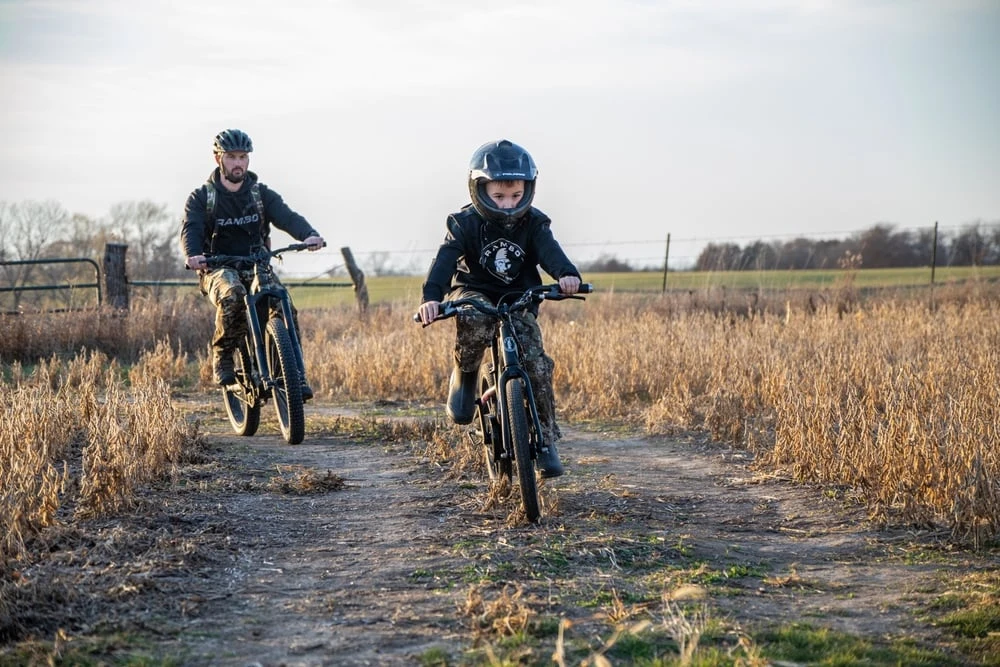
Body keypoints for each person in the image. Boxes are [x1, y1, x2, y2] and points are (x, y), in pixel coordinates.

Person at [417, 139, 582, 478]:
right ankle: (464, 378)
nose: (508, 204)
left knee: (536, 364)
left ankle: (546, 441)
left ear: (528, 190)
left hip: (519, 295)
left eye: (516, 196)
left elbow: (551, 252)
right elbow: (444, 263)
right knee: (473, 320)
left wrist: (567, 276)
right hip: (474, 292)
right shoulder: (463, 223)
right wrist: (432, 298)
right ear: (479, 189)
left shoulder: (534, 223)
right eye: (499, 196)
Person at [180, 128, 324, 395]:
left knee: (283, 303)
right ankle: (223, 356)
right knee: (233, 294)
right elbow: (192, 228)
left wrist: (309, 235)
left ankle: (294, 376)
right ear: (218, 159)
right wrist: (193, 254)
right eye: (232, 157)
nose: (238, 163)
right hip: (218, 268)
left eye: (243, 157)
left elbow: (287, 216)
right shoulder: (202, 198)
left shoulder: (260, 195)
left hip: (257, 262)